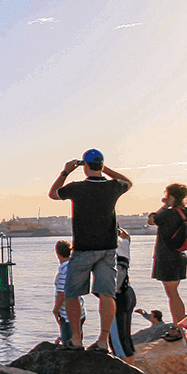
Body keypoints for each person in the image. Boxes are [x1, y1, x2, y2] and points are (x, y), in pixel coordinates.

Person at [48, 149, 134, 350]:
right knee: (107, 294)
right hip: (108, 248)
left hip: (84, 248)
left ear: (84, 167)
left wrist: (65, 171)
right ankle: (103, 341)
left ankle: (76, 339)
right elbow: (128, 182)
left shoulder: (77, 188)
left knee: (71, 293)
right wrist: (106, 169)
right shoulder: (113, 186)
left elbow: (52, 194)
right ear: (100, 165)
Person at [148, 184, 187, 341]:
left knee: (172, 294)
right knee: (174, 293)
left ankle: (178, 327)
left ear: (172, 196)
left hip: (167, 257)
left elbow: (151, 220)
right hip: (180, 255)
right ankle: (180, 324)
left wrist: (164, 205)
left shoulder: (168, 213)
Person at [110, 228, 137, 361]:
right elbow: (127, 237)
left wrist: (113, 293)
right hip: (128, 292)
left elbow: (120, 272)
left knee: (117, 335)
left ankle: (125, 367)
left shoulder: (112, 249)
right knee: (125, 333)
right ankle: (130, 364)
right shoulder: (124, 244)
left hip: (119, 295)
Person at [52, 240, 83, 346]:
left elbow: (62, 294)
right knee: (77, 340)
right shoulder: (74, 266)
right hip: (79, 311)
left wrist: (55, 310)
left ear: (58, 253)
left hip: (68, 315)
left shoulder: (64, 269)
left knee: (69, 345)